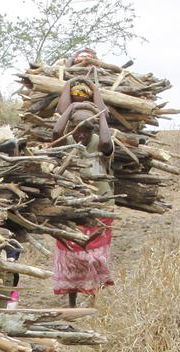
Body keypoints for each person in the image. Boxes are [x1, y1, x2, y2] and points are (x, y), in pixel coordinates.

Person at [51, 79, 116, 307]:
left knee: (95, 258)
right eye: (77, 129)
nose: (81, 135)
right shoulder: (67, 143)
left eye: (86, 130)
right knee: (71, 257)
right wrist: (71, 109)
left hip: (99, 205)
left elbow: (106, 140)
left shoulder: (101, 144)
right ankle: (71, 302)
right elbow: (56, 132)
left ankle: (93, 300)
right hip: (72, 206)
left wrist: (98, 116)